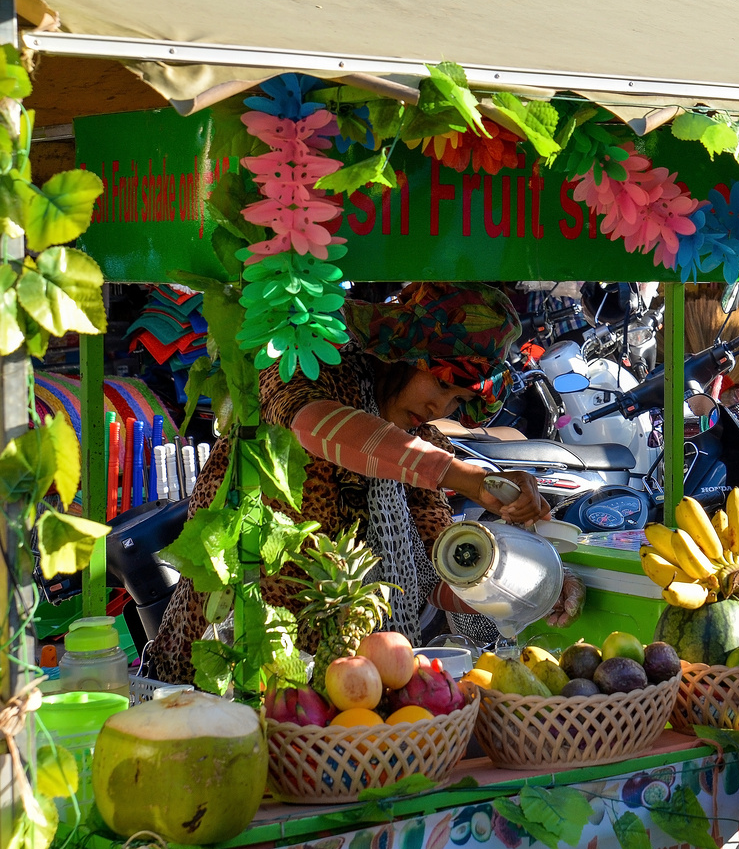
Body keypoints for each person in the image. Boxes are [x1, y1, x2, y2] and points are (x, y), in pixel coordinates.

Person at [151, 282, 551, 685]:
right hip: (233, 656)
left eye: (457, 400)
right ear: (400, 356)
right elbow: (310, 422)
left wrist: (523, 591)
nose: (439, 409)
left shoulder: (418, 443)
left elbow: (441, 567)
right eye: (441, 383)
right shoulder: (310, 362)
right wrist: (465, 477)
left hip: (344, 679)